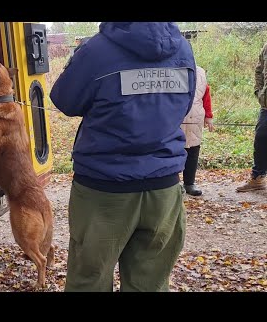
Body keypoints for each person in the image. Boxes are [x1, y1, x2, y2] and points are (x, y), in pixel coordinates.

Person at [50, 22, 196, 292]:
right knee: (149, 285)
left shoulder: (96, 51)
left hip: (103, 191)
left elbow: (64, 99)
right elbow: (183, 105)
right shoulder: (183, 49)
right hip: (163, 190)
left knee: (89, 282)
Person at [236, 42, 267, 192]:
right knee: (261, 139)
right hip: (266, 106)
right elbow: (259, 70)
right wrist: (259, 91)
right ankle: (258, 178)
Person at [181, 66, 214, 196]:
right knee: (174, 150)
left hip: (196, 117)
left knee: (193, 150)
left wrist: (209, 116)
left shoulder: (200, 71)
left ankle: (189, 183)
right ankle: (172, 184)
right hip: (176, 118)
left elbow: (205, 95)